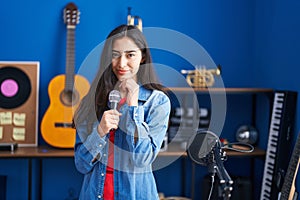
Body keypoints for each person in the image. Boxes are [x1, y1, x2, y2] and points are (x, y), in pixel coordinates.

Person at [73, 24, 171, 200]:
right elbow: (81, 165)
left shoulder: (157, 101)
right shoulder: (91, 100)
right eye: (115, 55)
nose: (121, 63)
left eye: (130, 55)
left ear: (142, 57)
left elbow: (142, 159)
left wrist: (134, 110)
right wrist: (99, 132)